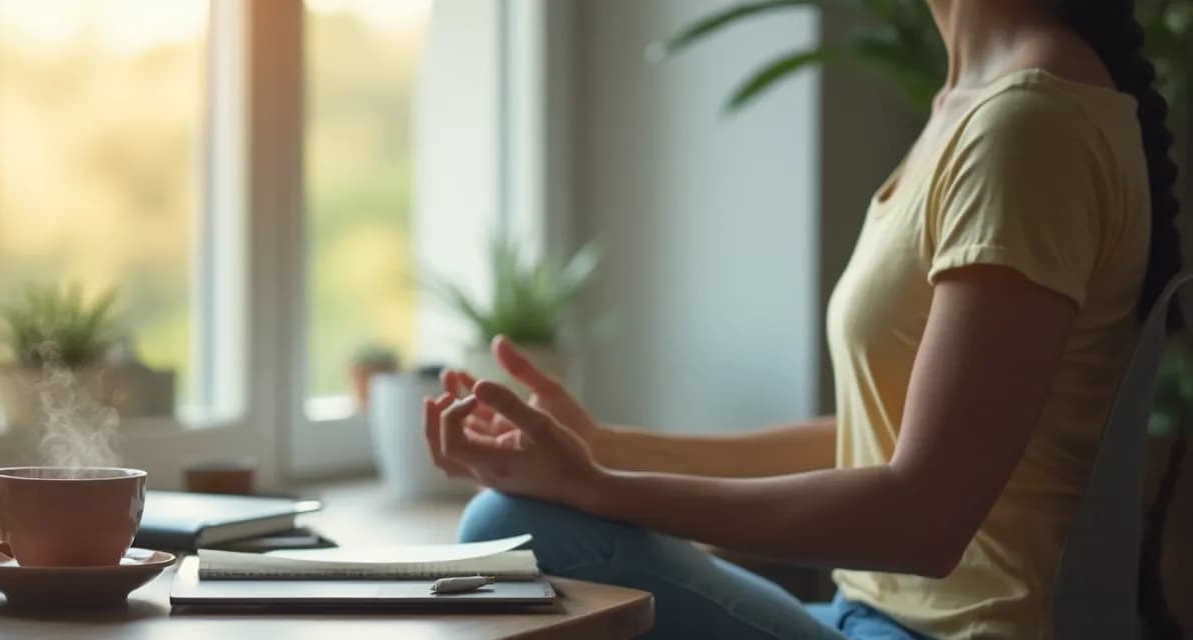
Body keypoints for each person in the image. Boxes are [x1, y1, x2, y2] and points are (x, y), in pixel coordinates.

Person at [421, 0, 1183, 637]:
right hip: (864, 614)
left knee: (513, 531)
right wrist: (606, 448)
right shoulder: (977, 104)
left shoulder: (1028, 124)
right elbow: (875, 442)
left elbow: (926, 517)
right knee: (514, 525)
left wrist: (597, 490)